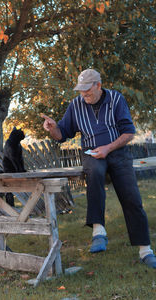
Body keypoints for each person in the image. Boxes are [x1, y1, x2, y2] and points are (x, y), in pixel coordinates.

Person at [42, 68, 156, 268]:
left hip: (118, 152)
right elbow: (62, 135)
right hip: (91, 152)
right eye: (81, 91)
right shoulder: (76, 105)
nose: (84, 95)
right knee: (94, 172)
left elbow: (129, 133)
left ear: (99, 86)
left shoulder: (116, 100)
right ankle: (98, 231)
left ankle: (145, 251)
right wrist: (53, 129)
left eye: (88, 91)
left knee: (132, 198)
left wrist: (108, 148)